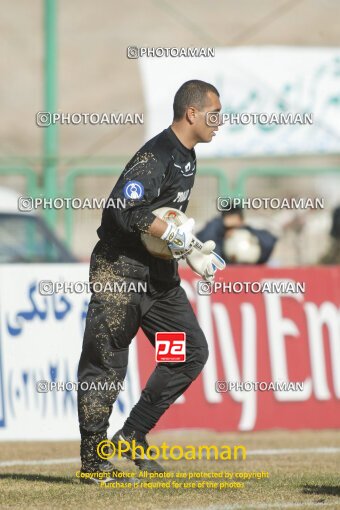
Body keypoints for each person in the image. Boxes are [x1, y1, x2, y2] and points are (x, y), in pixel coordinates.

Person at [77, 80, 222, 483]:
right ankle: (93, 461)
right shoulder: (156, 154)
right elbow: (122, 210)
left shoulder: (188, 157)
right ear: (192, 113)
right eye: (215, 113)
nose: (220, 122)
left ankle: (132, 433)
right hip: (120, 275)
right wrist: (172, 233)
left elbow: (164, 220)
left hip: (159, 283)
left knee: (187, 352)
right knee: (105, 365)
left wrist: (187, 248)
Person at [197, 204, 277, 264]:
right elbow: (205, 239)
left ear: (242, 221)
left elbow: (269, 242)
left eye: (235, 226)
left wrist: (248, 234)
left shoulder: (250, 232)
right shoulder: (217, 234)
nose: (232, 231)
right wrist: (220, 225)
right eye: (229, 227)